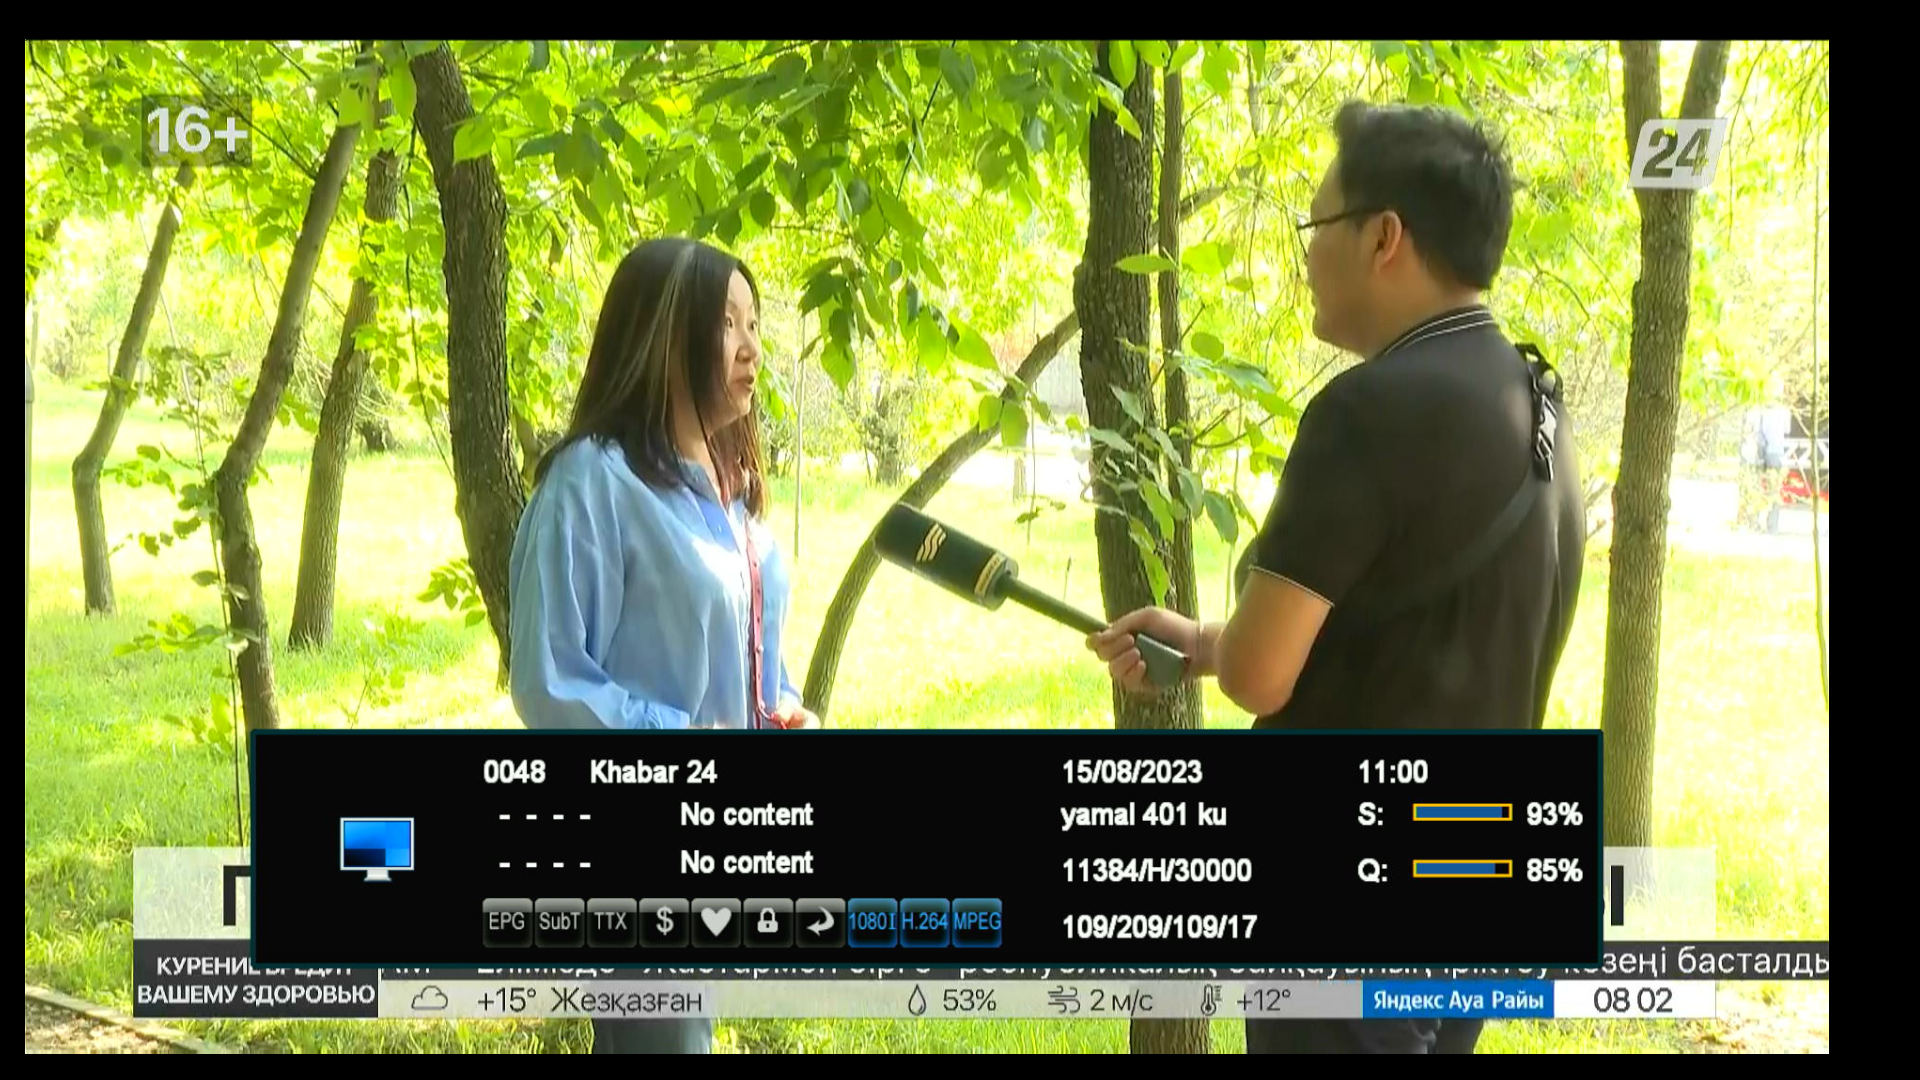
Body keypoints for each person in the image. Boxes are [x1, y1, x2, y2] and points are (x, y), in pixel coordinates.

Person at [1089, 101, 1587, 1055]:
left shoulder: (1369, 411)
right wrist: (1201, 643)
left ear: (1384, 237)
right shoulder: (1542, 416)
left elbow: (1261, 677)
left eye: (1316, 225)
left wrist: (1229, 659)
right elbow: (1421, 634)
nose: (1308, 255)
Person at [508, 237, 820, 1055]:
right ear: (663, 333)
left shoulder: (728, 491)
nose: (751, 349)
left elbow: (747, 645)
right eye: (727, 324)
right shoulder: (591, 483)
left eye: (755, 324)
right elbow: (550, 682)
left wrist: (781, 713)